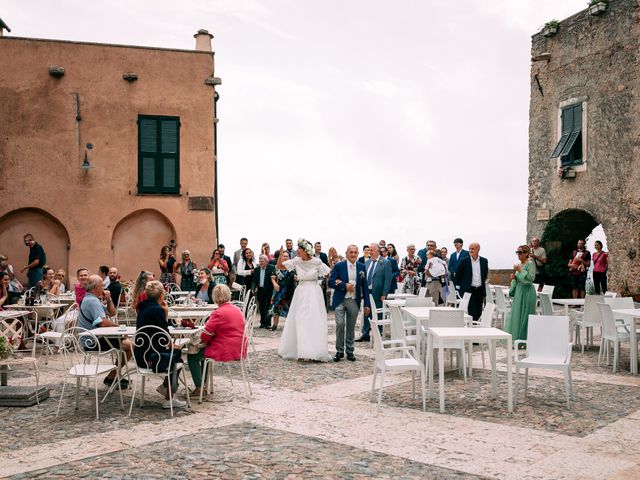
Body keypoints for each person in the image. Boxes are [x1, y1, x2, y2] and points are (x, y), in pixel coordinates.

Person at [187, 284, 246, 399]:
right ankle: (203, 385)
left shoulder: (218, 312)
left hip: (225, 348)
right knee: (203, 354)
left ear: (215, 297)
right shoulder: (237, 309)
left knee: (192, 356)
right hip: (239, 346)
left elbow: (206, 334)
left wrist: (204, 341)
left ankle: (200, 387)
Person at [134, 280, 187, 409]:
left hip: (140, 354)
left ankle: (166, 389)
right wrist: (172, 345)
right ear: (162, 295)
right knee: (177, 354)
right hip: (152, 358)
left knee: (175, 355)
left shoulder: (142, 308)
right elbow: (164, 335)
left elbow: (159, 333)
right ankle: (169, 397)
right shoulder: (157, 310)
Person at [277, 239, 331, 361]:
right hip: (301, 291)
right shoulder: (296, 260)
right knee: (299, 319)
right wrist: (281, 256)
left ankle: (314, 349)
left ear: (305, 250)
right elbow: (280, 266)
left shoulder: (317, 262)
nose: (297, 251)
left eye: (299, 249)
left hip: (314, 292)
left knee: (313, 319)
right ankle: (300, 350)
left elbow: (327, 273)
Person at [77, 275, 132, 388]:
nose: (104, 288)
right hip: (93, 342)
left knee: (126, 344)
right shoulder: (92, 301)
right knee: (130, 346)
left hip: (92, 338)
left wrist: (109, 299)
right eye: (102, 286)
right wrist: (120, 327)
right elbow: (102, 322)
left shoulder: (91, 299)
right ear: (95, 288)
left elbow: (112, 313)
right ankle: (111, 377)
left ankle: (114, 376)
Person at [329, 245, 371, 362]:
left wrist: (367, 304)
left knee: (351, 327)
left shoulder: (362, 266)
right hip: (340, 300)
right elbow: (331, 282)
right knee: (340, 324)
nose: (353, 254)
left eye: (355, 252)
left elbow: (364, 286)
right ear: (346, 253)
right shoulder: (339, 266)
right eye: (350, 252)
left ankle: (350, 351)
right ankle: (339, 351)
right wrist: (344, 285)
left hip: (354, 300)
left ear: (358, 254)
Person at [356, 243, 392, 342]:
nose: (369, 252)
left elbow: (387, 280)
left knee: (378, 312)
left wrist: (384, 294)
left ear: (377, 250)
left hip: (378, 292)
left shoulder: (385, 262)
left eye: (371, 250)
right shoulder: (367, 263)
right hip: (367, 291)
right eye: (368, 250)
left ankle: (378, 333)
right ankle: (365, 333)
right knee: (366, 312)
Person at [505, 245, 537, 343]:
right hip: (519, 291)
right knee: (517, 313)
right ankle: (517, 339)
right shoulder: (519, 264)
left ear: (527, 253)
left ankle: (525, 340)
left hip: (527, 291)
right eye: (517, 252)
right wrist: (514, 278)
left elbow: (531, 278)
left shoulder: (530, 264)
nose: (519, 254)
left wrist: (519, 271)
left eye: (521, 252)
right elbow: (518, 279)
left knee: (526, 314)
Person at [454, 242, 488, 321]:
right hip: (469, 290)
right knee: (472, 312)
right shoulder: (464, 261)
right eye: (469, 249)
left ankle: (475, 328)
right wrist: (459, 287)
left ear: (478, 249)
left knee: (479, 311)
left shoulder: (484, 261)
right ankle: (473, 329)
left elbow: (485, 275)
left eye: (472, 249)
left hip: (479, 290)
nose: (470, 250)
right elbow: (457, 275)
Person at [269, 251, 295, 331]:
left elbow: (294, 278)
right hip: (278, 291)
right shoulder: (277, 267)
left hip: (288, 291)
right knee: (276, 308)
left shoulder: (291, 268)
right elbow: (272, 277)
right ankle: (274, 325)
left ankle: (289, 327)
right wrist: (274, 284)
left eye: (287, 256)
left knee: (289, 309)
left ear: (289, 258)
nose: (285, 257)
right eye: (284, 256)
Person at [253, 254, 276, 328]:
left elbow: (274, 279)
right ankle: (262, 322)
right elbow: (254, 281)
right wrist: (254, 287)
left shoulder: (271, 268)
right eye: (259, 261)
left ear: (266, 261)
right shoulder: (256, 269)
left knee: (267, 307)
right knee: (261, 307)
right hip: (260, 290)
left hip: (269, 290)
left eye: (262, 261)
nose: (260, 262)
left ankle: (268, 323)